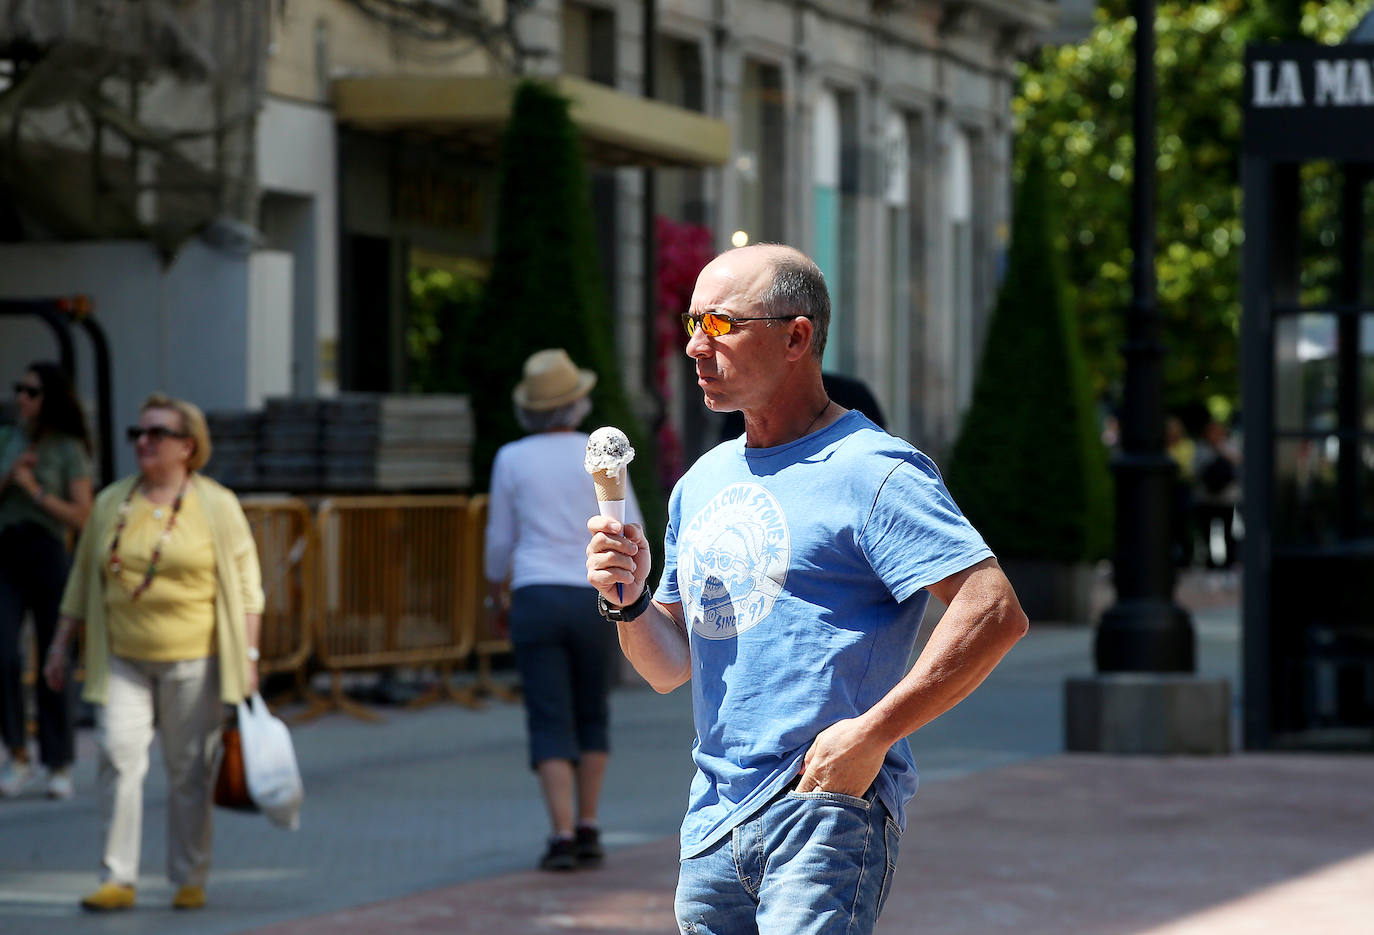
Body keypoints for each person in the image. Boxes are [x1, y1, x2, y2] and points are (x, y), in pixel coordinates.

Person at [586, 244, 1028, 935]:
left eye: (724, 324)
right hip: (711, 825)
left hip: (823, 809)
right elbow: (669, 667)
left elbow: (994, 610)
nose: (697, 346)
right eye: (692, 321)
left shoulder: (873, 469)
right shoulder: (699, 482)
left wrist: (873, 734)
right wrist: (630, 598)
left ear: (797, 336)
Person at [43, 393, 265, 913]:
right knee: (117, 760)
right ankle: (116, 877)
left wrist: (250, 658)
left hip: (196, 658)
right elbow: (81, 581)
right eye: (138, 434)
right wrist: (59, 646)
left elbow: (250, 585)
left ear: (187, 447)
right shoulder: (111, 502)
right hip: (123, 657)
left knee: (189, 770)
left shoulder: (217, 504)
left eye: (156, 434)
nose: (143, 443)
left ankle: (190, 875)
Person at [485, 349, 643, 872]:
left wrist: (494, 591)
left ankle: (559, 833)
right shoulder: (602, 453)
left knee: (549, 714)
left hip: (533, 592)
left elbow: (499, 541)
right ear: (577, 403)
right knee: (592, 708)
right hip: (590, 590)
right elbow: (631, 525)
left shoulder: (511, 457)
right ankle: (591, 823)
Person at [0, 362, 94, 800]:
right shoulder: (9, 436)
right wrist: (10, 475)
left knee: (54, 656)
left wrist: (36, 491)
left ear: (49, 397)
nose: (22, 398)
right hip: (6, 550)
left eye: (31, 391)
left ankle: (58, 761)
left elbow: (83, 514)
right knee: (4, 655)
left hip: (49, 551)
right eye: (20, 389)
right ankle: (17, 753)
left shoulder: (68, 447)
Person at [1193, 417, 1241, 570]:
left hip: (1227, 498)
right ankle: (1210, 562)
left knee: (1228, 531)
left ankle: (1228, 561)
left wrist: (1219, 448)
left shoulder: (1230, 446)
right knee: (1206, 531)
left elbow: (1238, 461)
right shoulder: (1201, 448)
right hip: (1206, 497)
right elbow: (1196, 469)